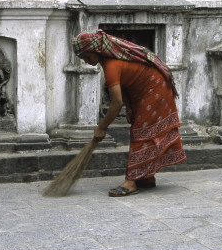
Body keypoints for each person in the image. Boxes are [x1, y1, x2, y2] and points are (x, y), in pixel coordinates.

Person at [72, 29, 187, 197]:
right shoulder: (110, 61)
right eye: (83, 59)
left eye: (87, 57)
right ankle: (146, 177)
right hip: (144, 89)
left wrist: (102, 127)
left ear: (96, 50)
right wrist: (130, 106)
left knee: (141, 132)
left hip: (155, 87)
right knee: (141, 129)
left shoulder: (111, 65)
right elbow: (125, 82)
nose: (86, 61)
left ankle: (131, 181)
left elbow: (115, 103)